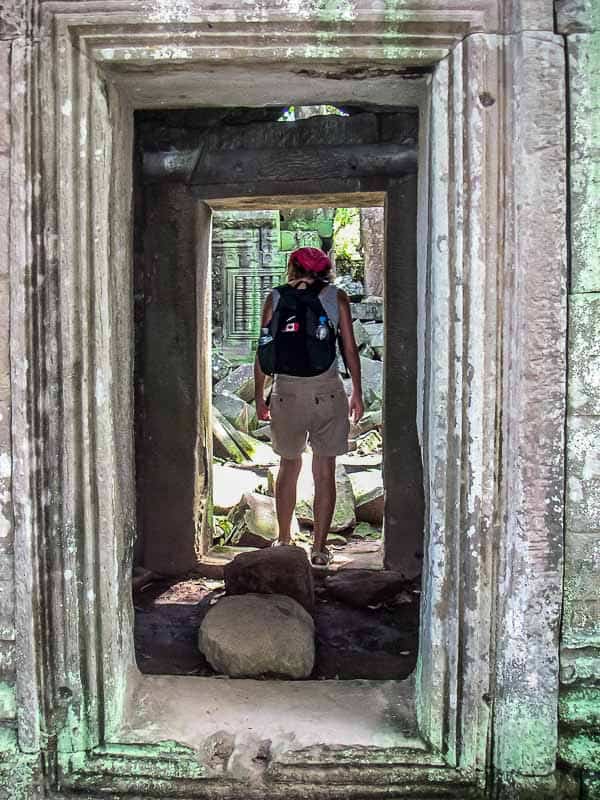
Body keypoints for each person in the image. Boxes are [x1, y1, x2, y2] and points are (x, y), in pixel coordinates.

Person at [254, 246, 364, 566]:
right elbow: (349, 350)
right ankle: (319, 548)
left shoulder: (274, 298)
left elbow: (263, 351)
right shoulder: (337, 297)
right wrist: (356, 391)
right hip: (328, 392)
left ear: (292, 266)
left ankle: (284, 538)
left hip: (286, 392)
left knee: (289, 466)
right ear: (325, 269)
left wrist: (260, 395)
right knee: (324, 470)